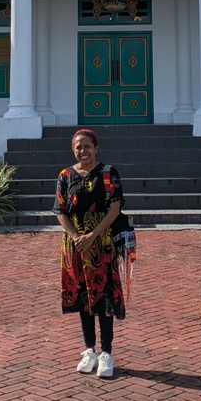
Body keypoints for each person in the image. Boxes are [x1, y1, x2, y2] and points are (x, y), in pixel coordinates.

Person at [53, 128, 126, 379]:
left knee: (104, 298)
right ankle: (90, 350)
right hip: (74, 245)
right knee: (83, 298)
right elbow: (60, 211)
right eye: (78, 147)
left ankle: (106, 353)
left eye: (87, 146)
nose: (82, 151)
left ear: (96, 148)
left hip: (101, 243)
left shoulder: (108, 174)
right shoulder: (65, 176)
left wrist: (92, 235)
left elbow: (114, 210)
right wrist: (76, 236)